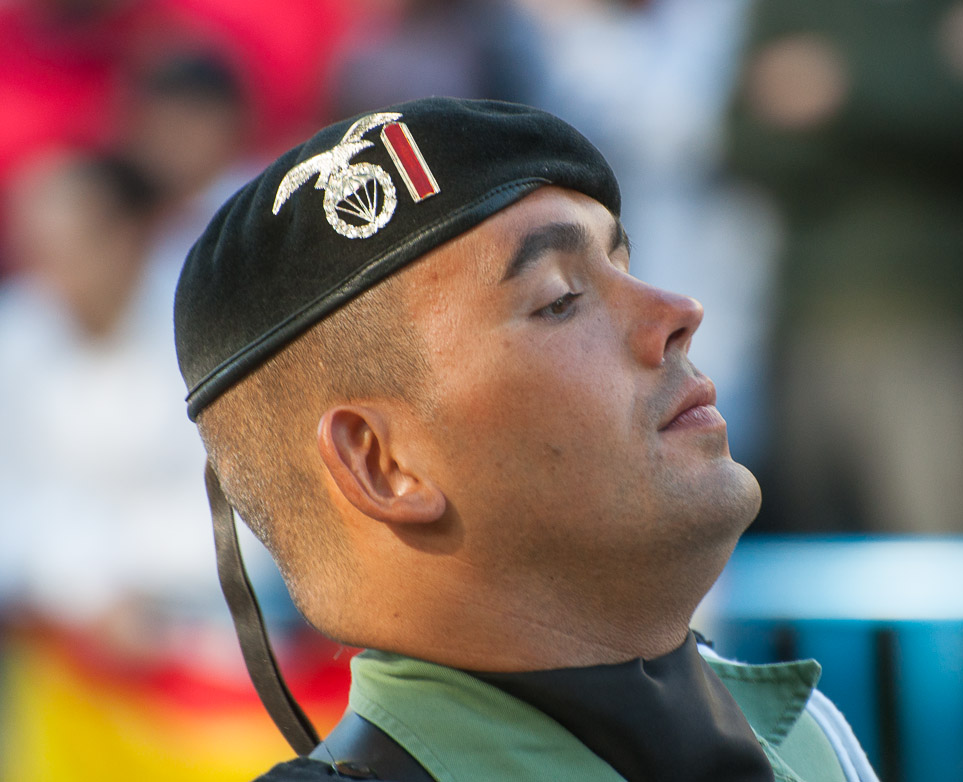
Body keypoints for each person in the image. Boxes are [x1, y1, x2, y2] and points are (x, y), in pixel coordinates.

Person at [174, 97, 877, 781]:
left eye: (623, 266)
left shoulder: (811, 736)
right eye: (560, 300)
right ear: (383, 463)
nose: (679, 311)